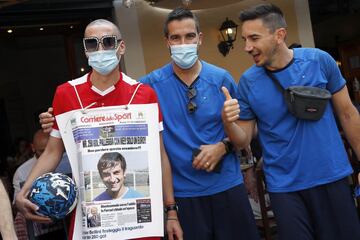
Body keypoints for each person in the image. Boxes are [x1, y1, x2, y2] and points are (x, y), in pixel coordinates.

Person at [39, 8, 260, 240]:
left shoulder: (221, 79)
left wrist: (223, 144)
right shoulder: (147, 88)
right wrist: (60, 120)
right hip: (182, 193)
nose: (183, 43)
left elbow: (245, 136)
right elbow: (108, 110)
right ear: (167, 42)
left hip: (226, 185)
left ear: (200, 39)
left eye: (189, 36)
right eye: (175, 38)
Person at [16, 19, 182, 240]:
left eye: (108, 42)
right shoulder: (66, 94)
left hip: (140, 221)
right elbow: (52, 151)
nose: (100, 49)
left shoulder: (144, 95)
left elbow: (159, 156)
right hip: (92, 220)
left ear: (121, 47)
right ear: (85, 50)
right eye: (93, 44)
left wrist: (171, 211)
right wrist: (23, 191)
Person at [222, 3, 360, 240]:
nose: (247, 47)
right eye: (244, 39)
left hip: (332, 177)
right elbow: (242, 139)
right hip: (284, 188)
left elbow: (348, 114)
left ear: (279, 35)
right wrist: (228, 121)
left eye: (254, 38)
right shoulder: (247, 82)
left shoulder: (320, 61)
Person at [13, 129, 70, 240]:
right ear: (33, 147)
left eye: (49, 150)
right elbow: (17, 207)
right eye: (41, 151)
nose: (46, 155)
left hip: (68, 219)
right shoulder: (22, 172)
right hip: (39, 224)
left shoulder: (68, 161)